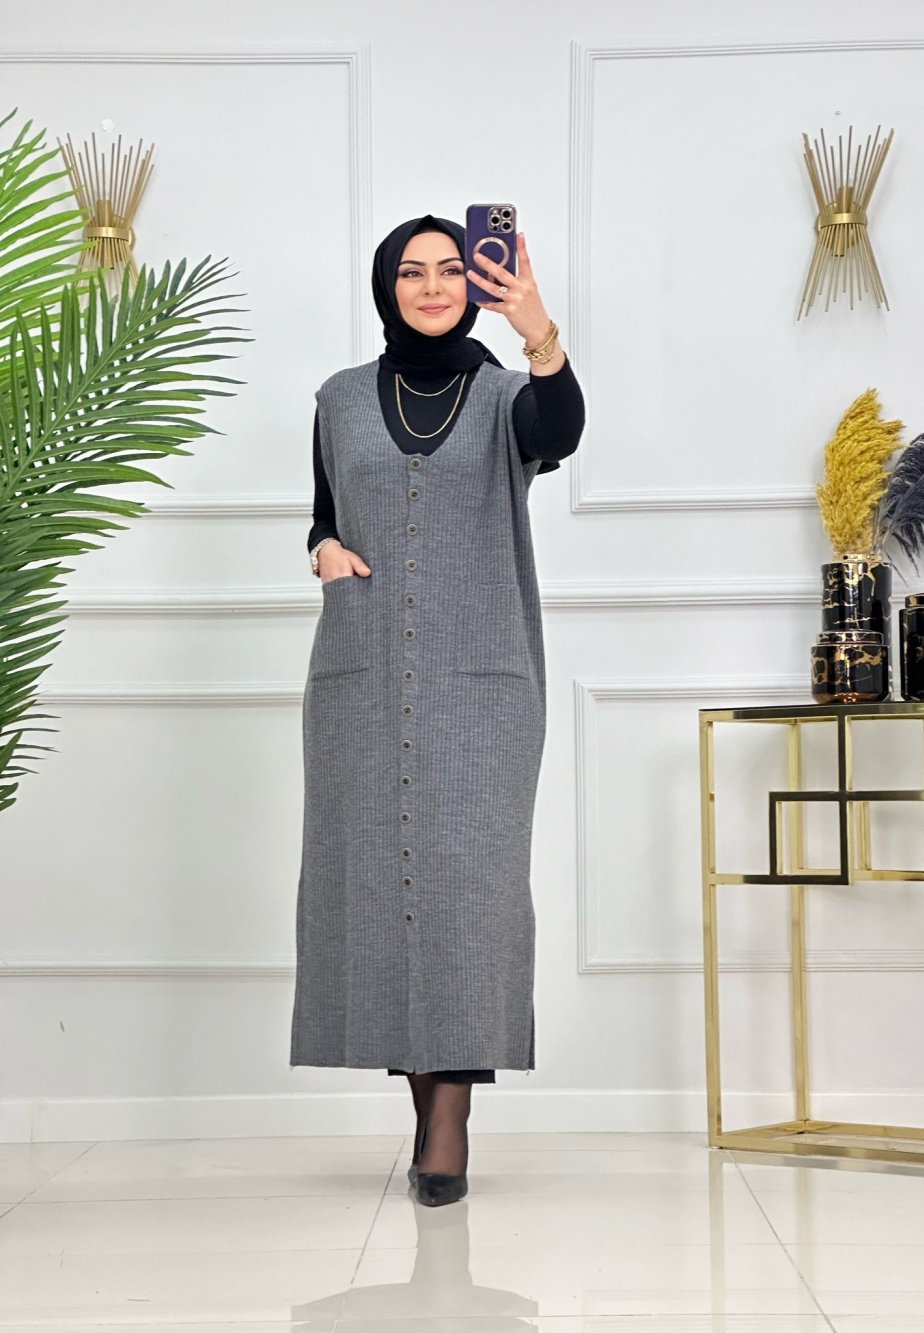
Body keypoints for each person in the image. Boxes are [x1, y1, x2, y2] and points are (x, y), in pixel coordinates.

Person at [290, 212, 585, 1207]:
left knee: (468, 894)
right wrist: (323, 551)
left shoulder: (506, 396)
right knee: (381, 892)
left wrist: (535, 325)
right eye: (411, 272)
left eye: (449, 269)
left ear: (472, 283)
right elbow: (325, 510)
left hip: (483, 683)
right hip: (363, 677)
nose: (430, 286)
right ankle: (426, 1111)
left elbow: (563, 429)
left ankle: (447, 1119)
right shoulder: (338, 399)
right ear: (388, 287)